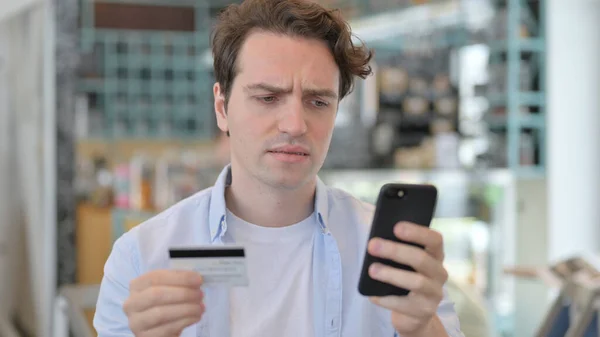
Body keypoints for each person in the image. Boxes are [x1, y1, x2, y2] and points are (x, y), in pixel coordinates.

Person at [93, 1, 465, 336]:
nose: (295, 124)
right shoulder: (142, 258)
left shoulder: (390, 254)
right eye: (268, 97)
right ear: (222, 107)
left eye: (318, 101)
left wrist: (422, 329)